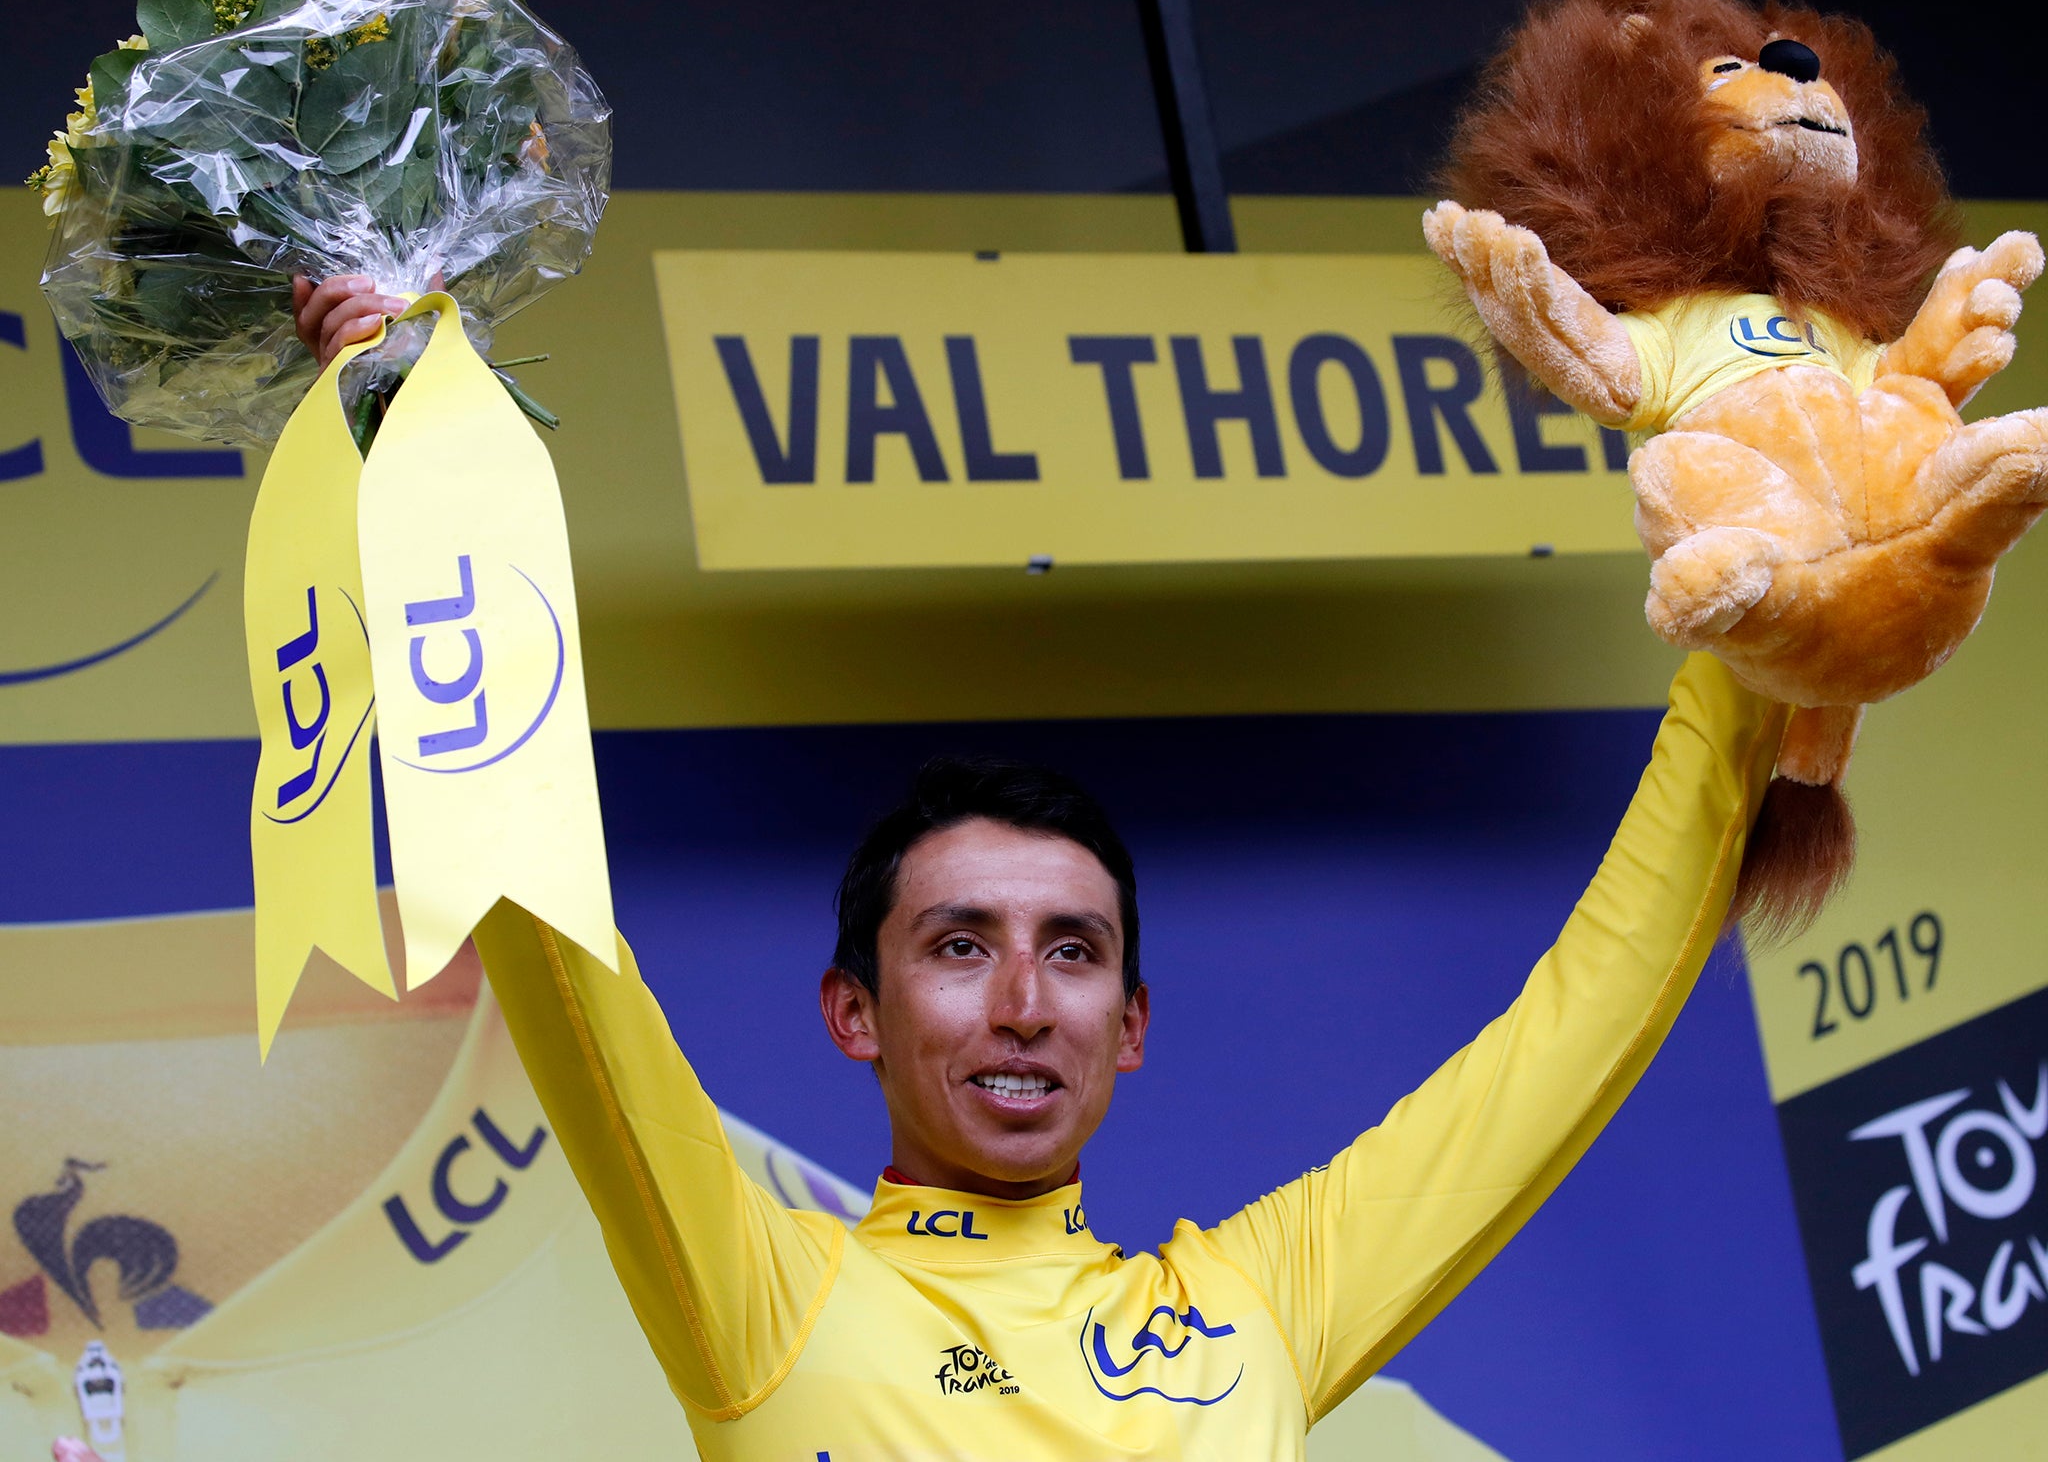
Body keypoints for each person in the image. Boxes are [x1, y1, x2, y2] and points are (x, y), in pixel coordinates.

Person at [288, 288, 1787, 1459]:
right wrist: (414, 463)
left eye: (1073, 951)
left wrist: (1765, 635)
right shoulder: (765, 1297)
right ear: (851, 1012)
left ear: (1131, 1027)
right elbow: (543, 924)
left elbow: (1587, 1014)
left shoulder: (1255, 1310)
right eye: (956, 946)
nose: (1021, 1001)